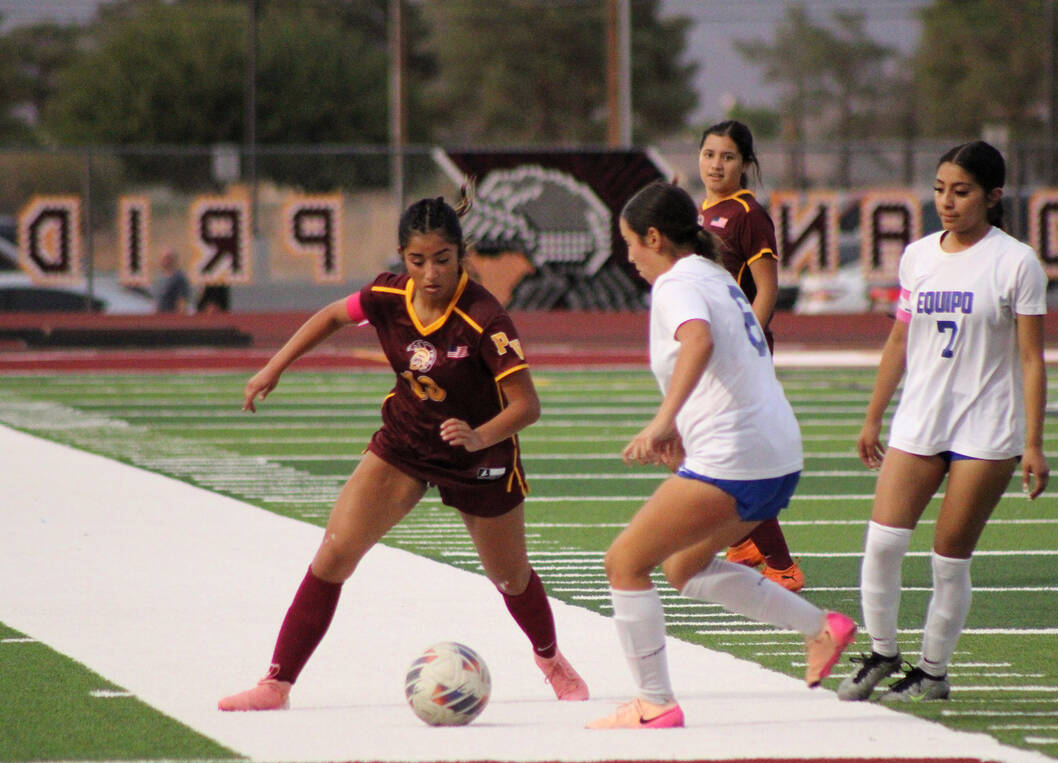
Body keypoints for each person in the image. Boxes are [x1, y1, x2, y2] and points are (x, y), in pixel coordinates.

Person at [218, 191, 588, 711]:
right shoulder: (387, 296)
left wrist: (479, 436)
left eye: (442, 259)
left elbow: (527, 405)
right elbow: (331, 315)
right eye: (418, 260)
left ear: (461, 254)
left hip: (479, 457)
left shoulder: (485, 319)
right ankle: (276, 684)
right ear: (402, 258)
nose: (430, 273)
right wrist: (274, 367)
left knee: (510, 576)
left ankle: (549, 658)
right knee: (333, 554)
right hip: (406, 442)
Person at [586, 181, 856, 729]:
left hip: (739, 453)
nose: (629, 257)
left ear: (654, 238)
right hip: (776, 451)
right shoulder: (714, 276)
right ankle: (820, 629)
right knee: (683, 566)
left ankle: (654, 703)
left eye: (630, 243)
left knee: (624, 563)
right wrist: (682, 432)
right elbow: (725, 364)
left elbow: (700, 342)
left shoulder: (676, 283)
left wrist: (663, 421)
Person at [838, 140, 1049, 703]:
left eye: (962, 192)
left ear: (993, 196)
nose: (947, 202)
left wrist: (1033, 443)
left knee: (948, 560)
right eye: (939, 190)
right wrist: (872, 417)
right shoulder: (918, 256)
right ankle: (882, 652)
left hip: (987, 428)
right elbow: (899, 340)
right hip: (921, 419)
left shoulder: (1017, 262)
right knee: (882, 545)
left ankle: (933, 673)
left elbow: (1032, 358)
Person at [697, 119, 804, 592]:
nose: (716, 164)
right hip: (712, 349)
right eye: (709, 154)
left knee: (736, 459)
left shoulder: (748, 214)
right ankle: (743, 545)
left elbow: (767, 291)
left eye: (728, 156)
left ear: (745, 164)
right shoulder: (701, 212)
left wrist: (746, 345)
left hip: (740, 353)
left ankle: (782, 566)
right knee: (719, 451)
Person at [153, 249, 191, 313]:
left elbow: (182, 301)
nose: (163, 261)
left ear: (173, 260)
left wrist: (180, 315)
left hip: (172, 315)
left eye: (166, 258)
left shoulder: (179, 278)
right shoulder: (159, 278)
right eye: (162, 258)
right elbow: (157, 300)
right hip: (160, 315)